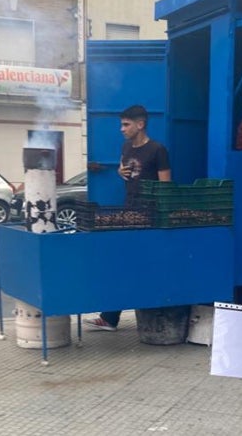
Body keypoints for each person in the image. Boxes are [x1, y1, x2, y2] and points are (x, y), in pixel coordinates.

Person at [84, 104, 171, 331]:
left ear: (140, 124)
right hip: (128, 211)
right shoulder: (126, 147)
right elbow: (126, 171)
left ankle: (113, 316)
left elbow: (166, 185)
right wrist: (118, 172)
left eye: (126, 124)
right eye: (121, 124)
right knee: (123, 263)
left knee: (132, 265)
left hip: (148, 217)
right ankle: (110, 317)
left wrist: (160, 217)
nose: (121, 129)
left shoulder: (157, 150)